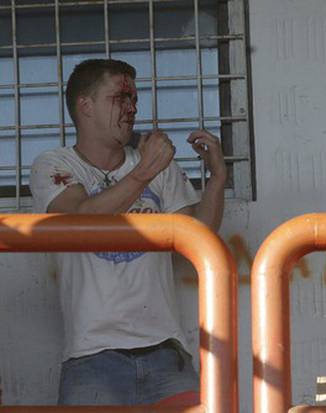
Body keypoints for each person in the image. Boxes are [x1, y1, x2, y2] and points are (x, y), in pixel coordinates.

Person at [29, 58, 226, 405]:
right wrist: (144, 173)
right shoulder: (55, 163)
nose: (132, 108)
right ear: (85, 106)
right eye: (120, 97)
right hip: (92, 355)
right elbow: (77, 220)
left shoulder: (153, 165)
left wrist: (217, 179)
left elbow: (199, 234)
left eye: (134, 99)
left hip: (166, 351)